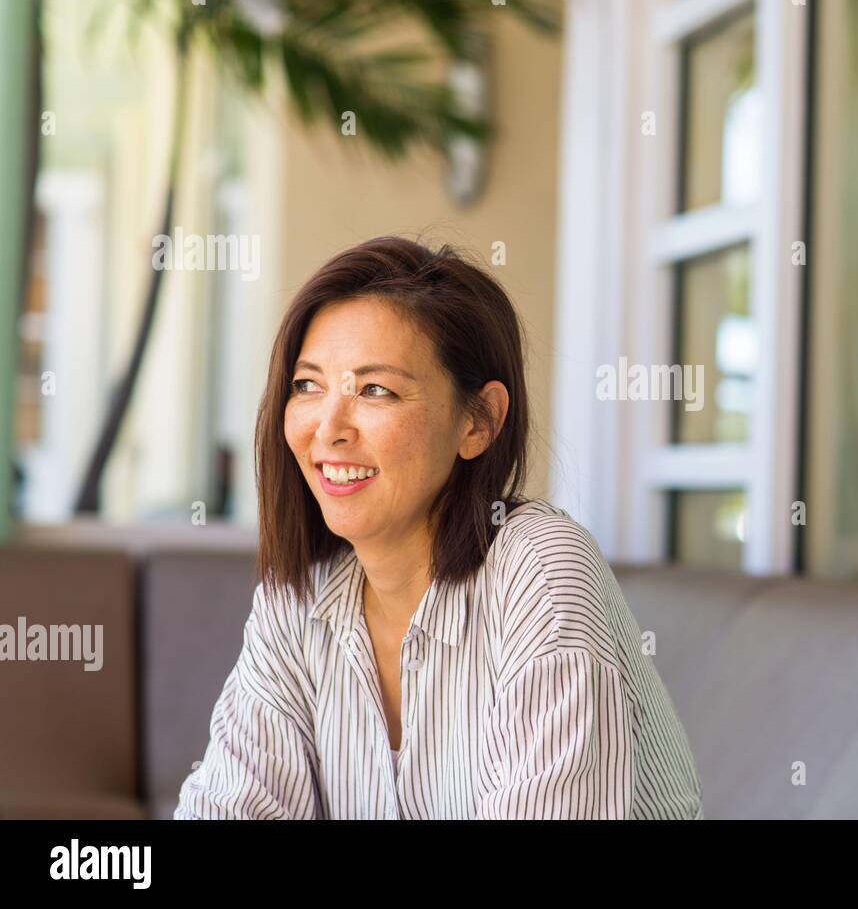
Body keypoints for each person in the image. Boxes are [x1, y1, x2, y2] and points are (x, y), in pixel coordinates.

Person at [175, 236, 703, 819]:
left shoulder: (541, 570)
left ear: (479, 421)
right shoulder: (298, 600)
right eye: (308, 385)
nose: (328, 428)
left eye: (375, 389)